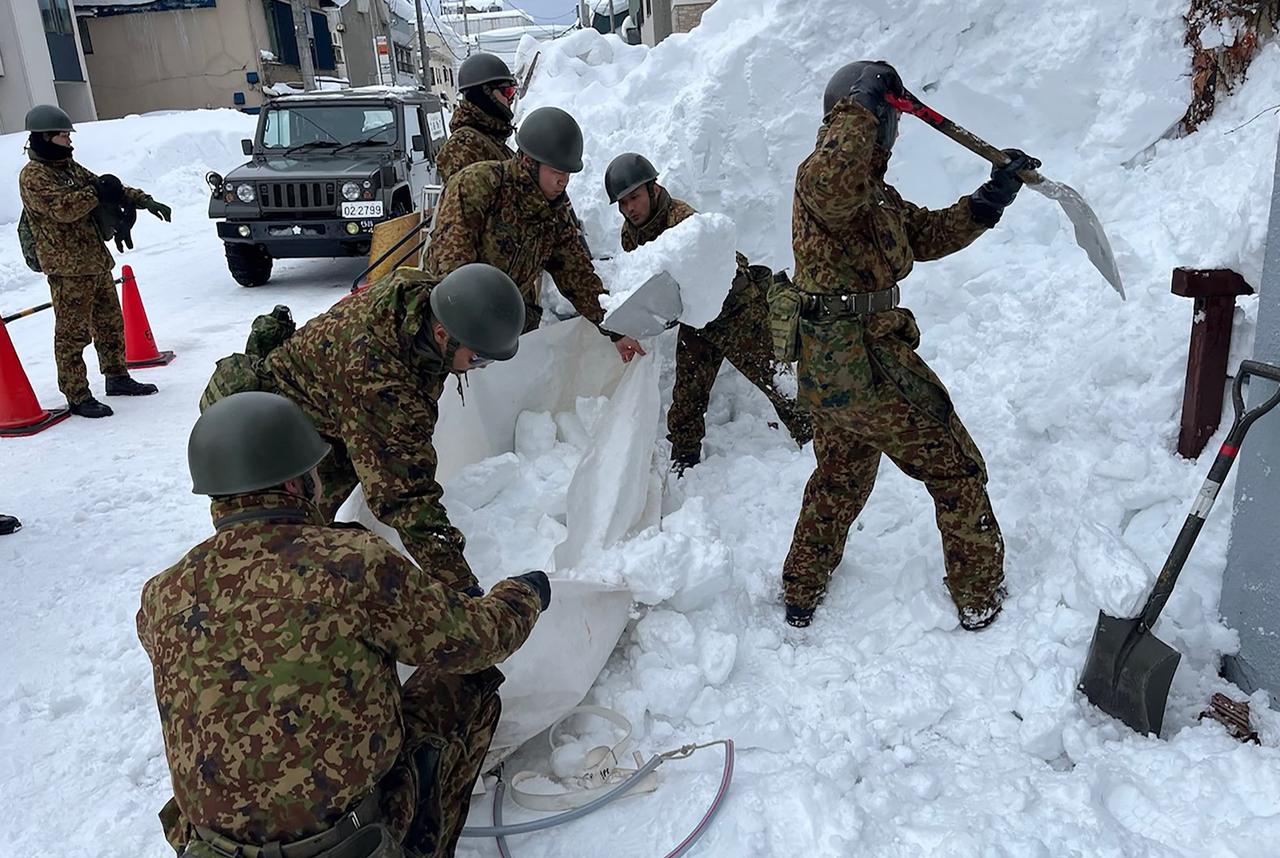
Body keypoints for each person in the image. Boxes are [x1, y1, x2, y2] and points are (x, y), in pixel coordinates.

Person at [139, 390, 549, 858]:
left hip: (212, 848)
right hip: (349, 840)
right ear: (296, 486)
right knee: (464, 678)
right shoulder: (351, 563)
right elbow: (477, 639)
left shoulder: (162, 594)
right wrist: (526, 593)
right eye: (315, 472)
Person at [780, 60, 1039, 631]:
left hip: (835, 368)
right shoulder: (823, 183)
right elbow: (832, 182)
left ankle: (800, 588)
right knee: (956, 466)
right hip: (863, 362)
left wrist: (989, 200)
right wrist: (858, 104)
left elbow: (921, 235)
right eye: (877, 117)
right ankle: (977, 593)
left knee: (840, 476)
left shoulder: (874, 195)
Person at [201, 263, 526, 595]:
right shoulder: (381, 379)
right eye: (477, 360)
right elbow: (404, 497)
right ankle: (250, 603)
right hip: (284, 431)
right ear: (442, 335)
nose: (481, 368)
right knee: (289, 539)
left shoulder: (424, 299)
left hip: (334, 405)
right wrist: (465, 592)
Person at [605, 152, 813, 475]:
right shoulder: (630, 235)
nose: (629, 208)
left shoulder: (684, 220)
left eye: (634, 198)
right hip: (696, 317)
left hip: (735, 309)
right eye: (622, 203)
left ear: (653, 189)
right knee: (687, 396)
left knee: (776, 379)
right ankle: (685, 460)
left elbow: (702, 272)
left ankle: (818, 441)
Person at [424, 106, 646, 363]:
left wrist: (615, 331)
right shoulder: (479, 186)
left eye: (567, 174)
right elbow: (451, 267)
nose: (563, 182)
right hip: (454, 326)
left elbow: (577, 276)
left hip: (505, 326)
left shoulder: (555, 214)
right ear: (530, 162)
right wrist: (463, 335)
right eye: (556, 172)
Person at [17, 104, 172, 419]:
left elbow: (105, 186)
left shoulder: (68, 166)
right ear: (45, 137)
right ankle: (77, 395)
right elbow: (63, 209)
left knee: (110, 325)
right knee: (73, 334)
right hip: (67, 268)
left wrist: (142, 200)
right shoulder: (34, 176)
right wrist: (97, 193)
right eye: (63, 135)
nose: (69, 140)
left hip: (96, 261)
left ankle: (117, 377)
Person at [436, 52, 517, 186]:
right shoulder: (463, 146)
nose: (511, 98)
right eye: (507, 91)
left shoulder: (489, 137)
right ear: (484, 93)